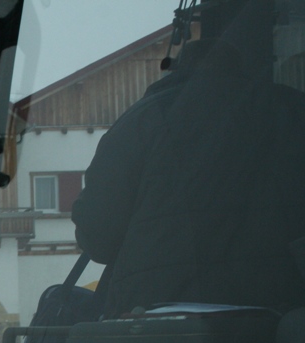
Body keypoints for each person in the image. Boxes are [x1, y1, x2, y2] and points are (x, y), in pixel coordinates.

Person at [72, 2, 305, 318]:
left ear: (178, 69)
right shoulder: (292, 114)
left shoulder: (141, 121)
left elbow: (98, 238)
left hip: (157, 319)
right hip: (275, 315)